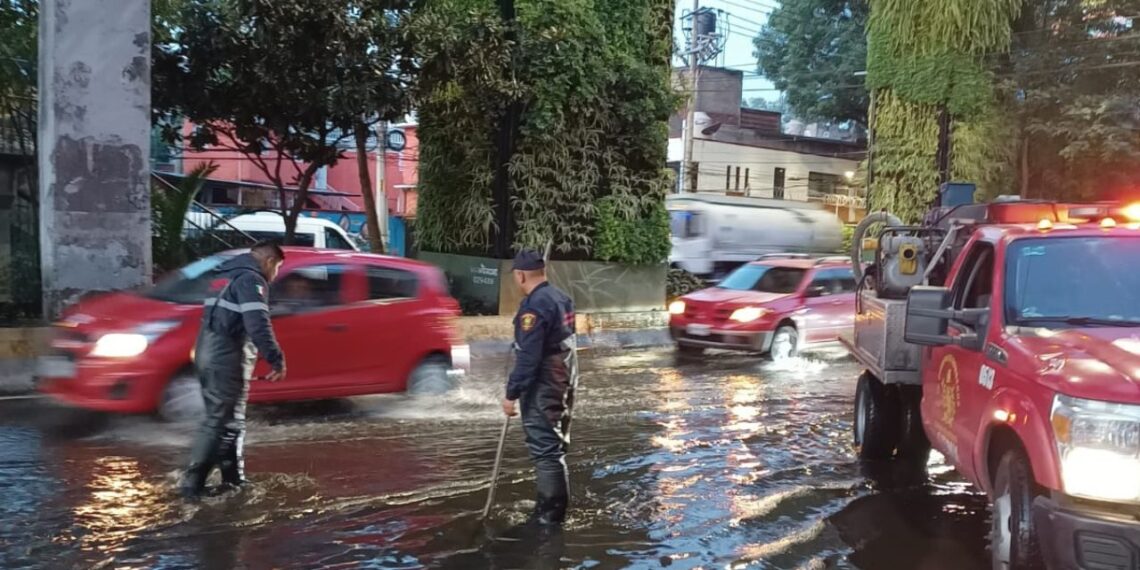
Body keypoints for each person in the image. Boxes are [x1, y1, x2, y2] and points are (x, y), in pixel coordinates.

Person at [180, 241, 288, 500]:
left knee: (227, 419)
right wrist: (276, 358)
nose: (274, 277)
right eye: (277, 269)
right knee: (221, 420)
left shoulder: (224, 276)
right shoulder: (251, 279)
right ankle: (191, 487)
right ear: (269, 261)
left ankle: (233, 481)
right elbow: (257, 323)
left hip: (208, 350)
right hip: (226, 355)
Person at [501, 250, 579, 525]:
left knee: (546, 447)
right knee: (555, 445)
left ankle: (550, 514)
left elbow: (529, 357)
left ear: (520, 275)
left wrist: (512, 393)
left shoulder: (533, 308)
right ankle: (552, 505)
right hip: (566, 373)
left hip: (546, 379)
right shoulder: (561, 298)